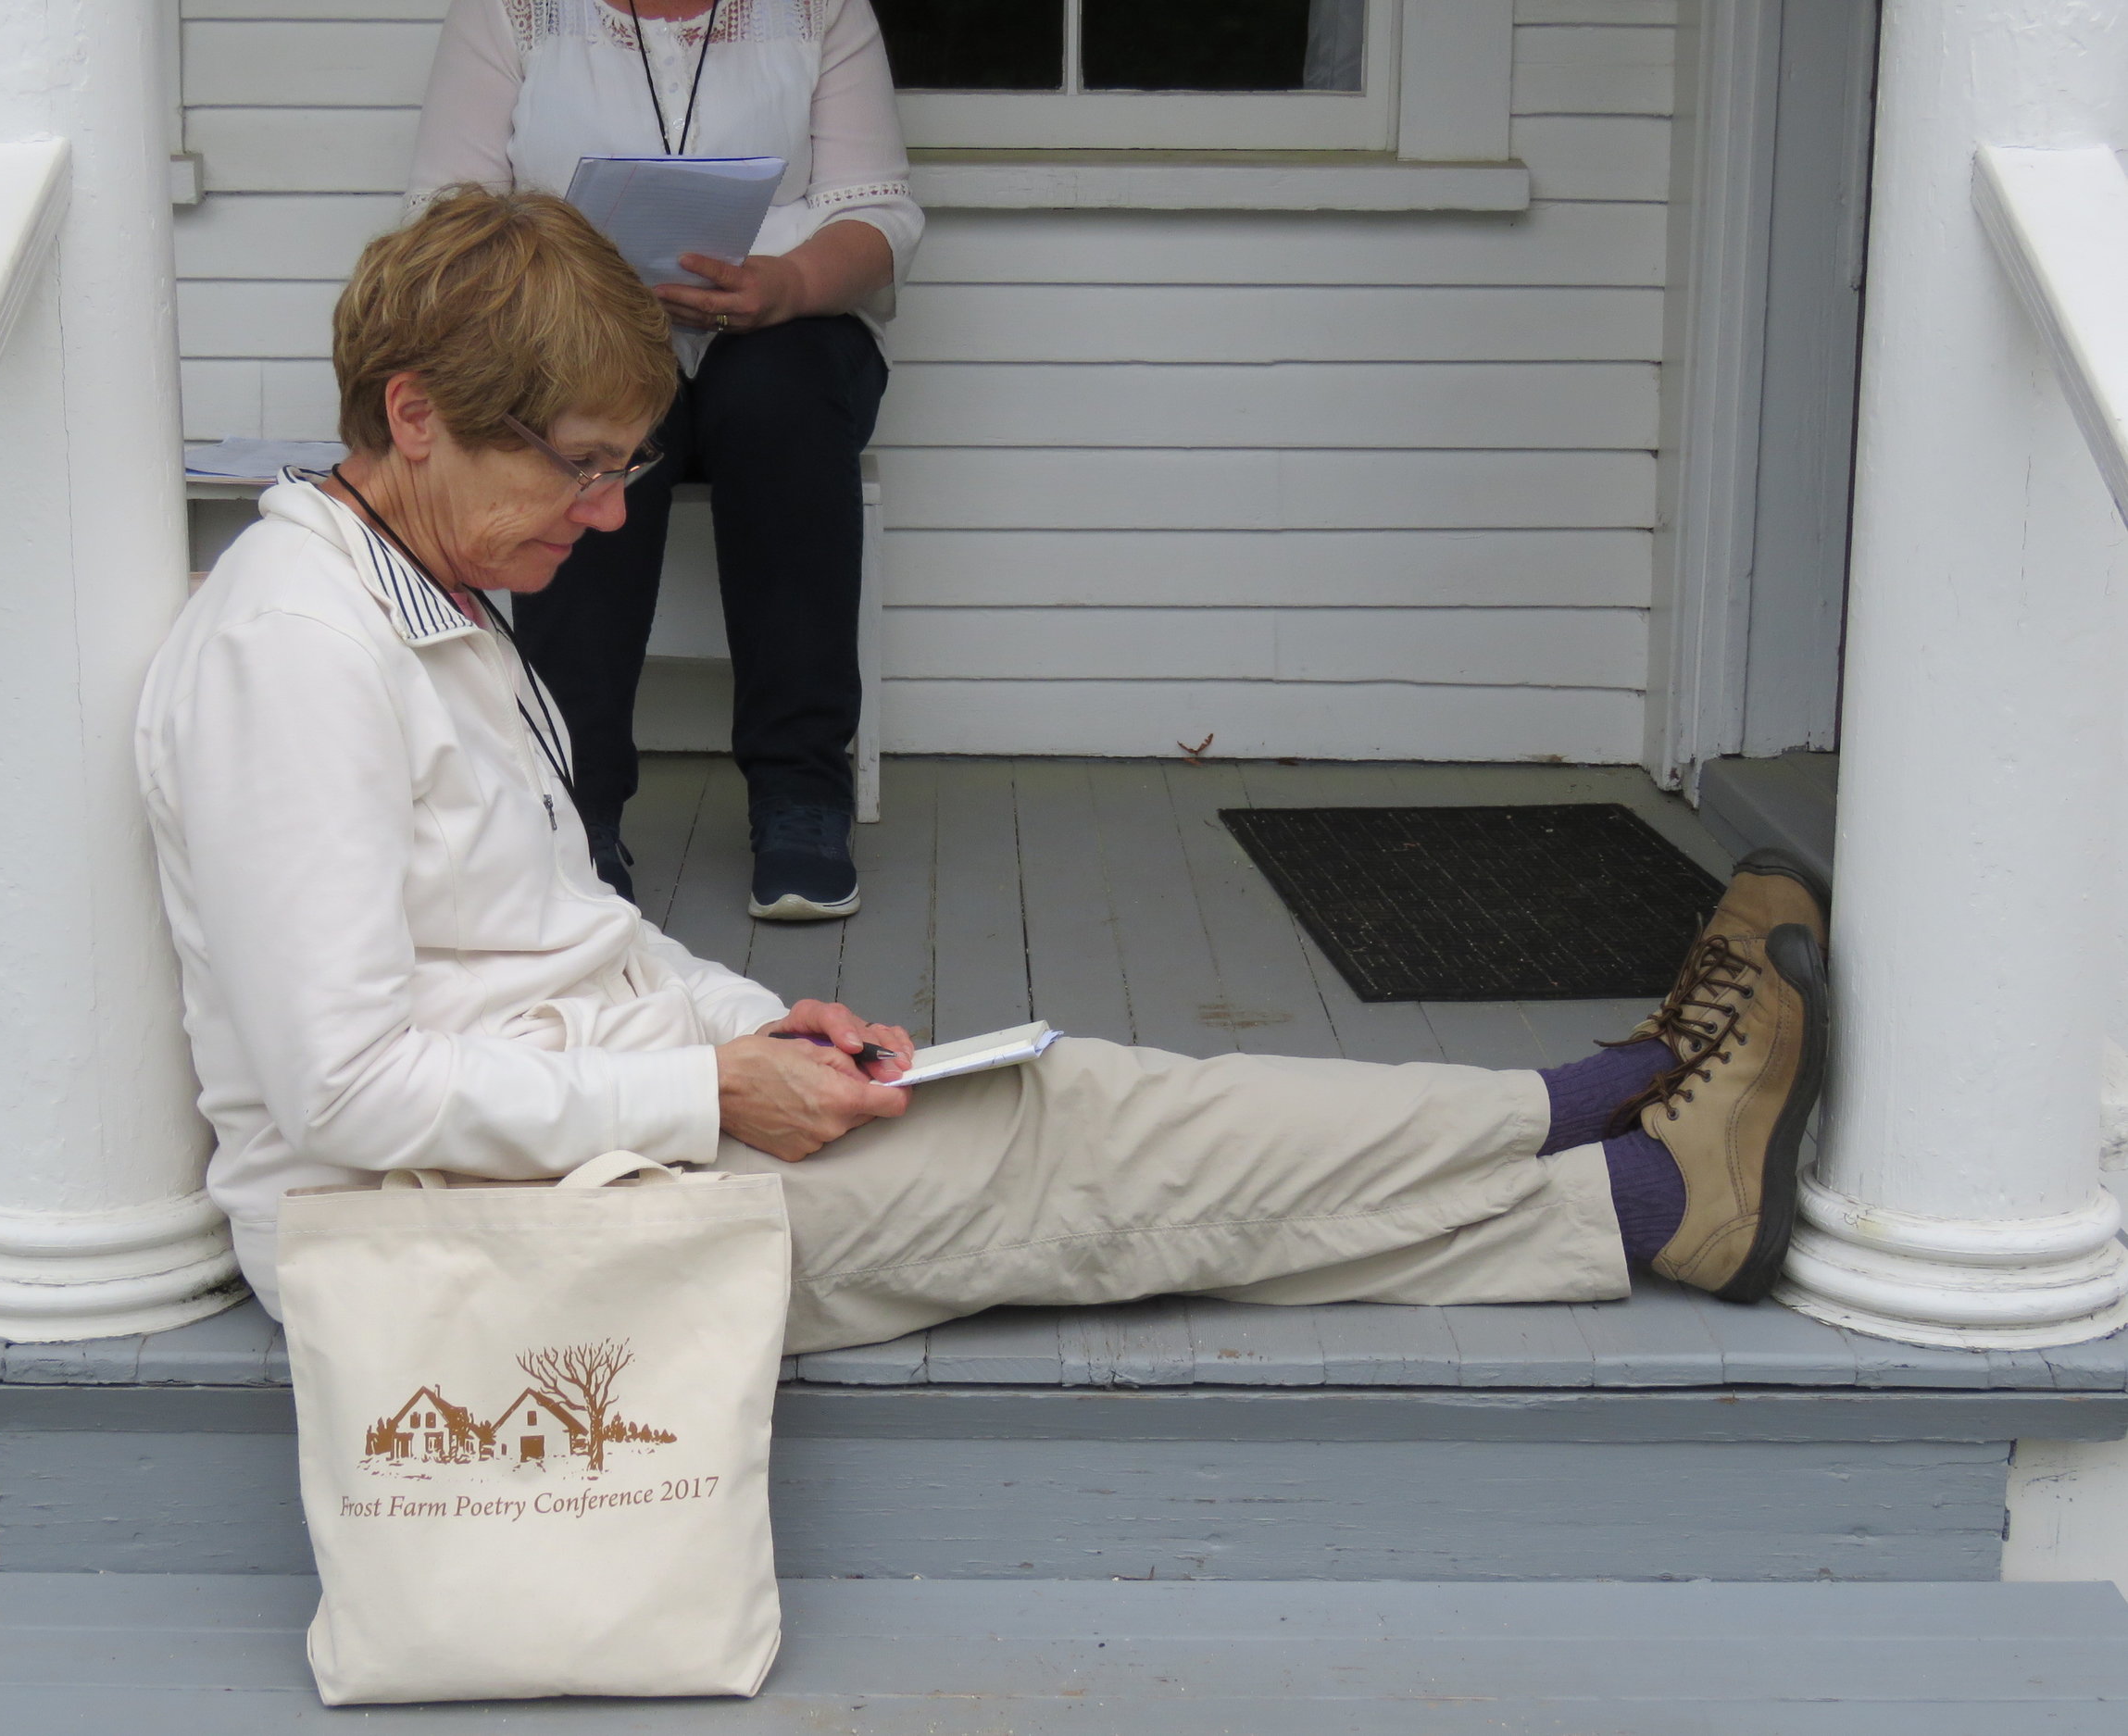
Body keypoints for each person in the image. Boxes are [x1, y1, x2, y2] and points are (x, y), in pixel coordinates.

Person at [136, 191, 1830, 1349]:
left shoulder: (425, 590)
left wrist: (752, 1023)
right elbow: (341, 1093)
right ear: (416, 412)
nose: (605, 515)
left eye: (620, 473)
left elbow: (559, 933)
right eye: (579, 471)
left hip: (589, 1145)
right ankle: (1612, 1145)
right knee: (1064, 1156)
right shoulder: (295, 653)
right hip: (458, 1246)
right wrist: (706, 1095)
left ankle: (1618, 1162)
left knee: (1059, 1117)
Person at [405, 0, 920, 921]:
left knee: (778, 399)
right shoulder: (513, 12)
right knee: (585, 420)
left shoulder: (817, 9)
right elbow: (445, 213)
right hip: (582, 336)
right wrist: (575, 292)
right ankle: (575, 803)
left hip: (788, 329)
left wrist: (788, 283)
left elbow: (879, 212)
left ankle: (800, 792)